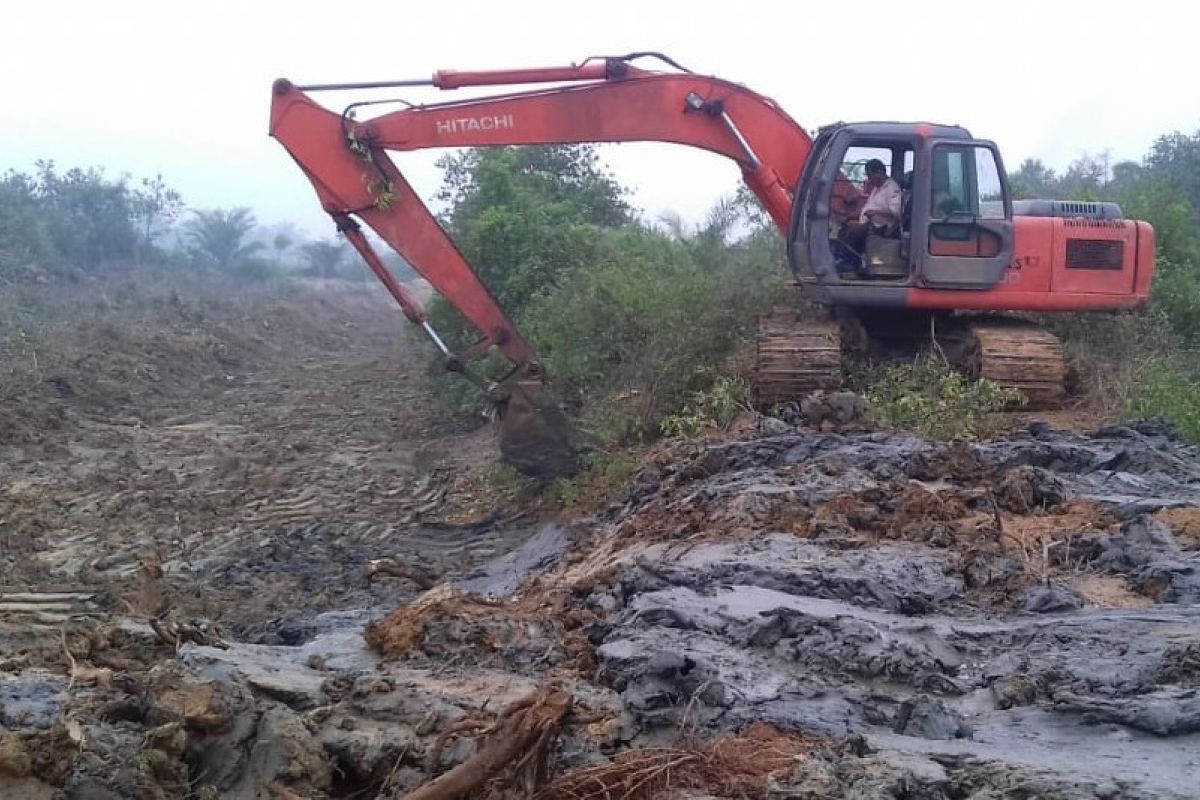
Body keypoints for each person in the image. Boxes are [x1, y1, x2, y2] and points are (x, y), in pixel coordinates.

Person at [834, 158, 902, 273]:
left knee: (853, 231)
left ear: (879, 172)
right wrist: (850, 216)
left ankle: (847, 263)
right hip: (871, 223)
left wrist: (875, 213)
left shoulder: (892, 188)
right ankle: (849, 263)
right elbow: (868, 206)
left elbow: (897, 212)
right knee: (844, 229)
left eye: (871, 176)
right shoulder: (877, 188)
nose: (869, 180)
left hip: (883, 226)